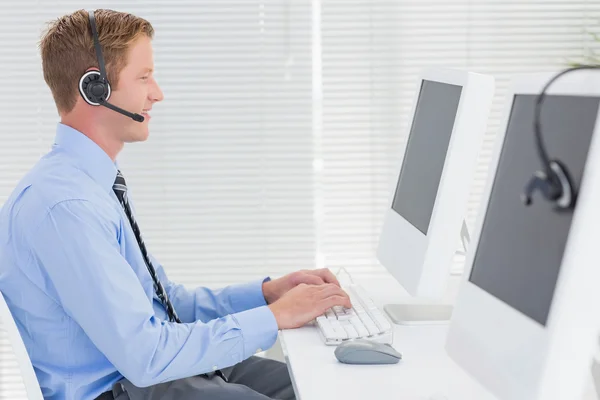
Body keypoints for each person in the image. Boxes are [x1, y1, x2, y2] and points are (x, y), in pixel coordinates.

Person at [0, 9, 351, 400]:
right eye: (144, 76)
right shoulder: (65, 206)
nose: (157, 93)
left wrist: (266, 295)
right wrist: (275, 318)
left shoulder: (91, 184)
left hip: (148, 372)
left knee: (321, 384)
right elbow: (146, 355)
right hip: (122, 387)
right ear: (94, 88)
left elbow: (165, 305)